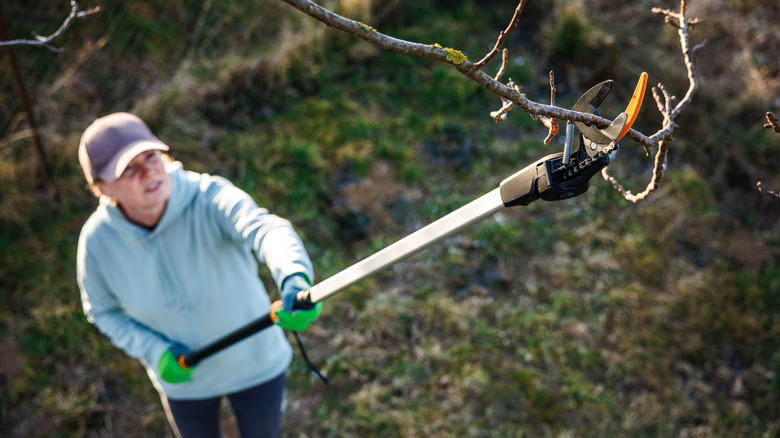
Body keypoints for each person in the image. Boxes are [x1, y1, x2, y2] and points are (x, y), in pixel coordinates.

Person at [76, 112, 323, 437]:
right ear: (102, 187)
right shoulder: (97, 244)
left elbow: (266, 229)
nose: (149, 171)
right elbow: (102, 311)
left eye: (151, 156)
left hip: (257, 366)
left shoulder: (208, 196)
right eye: (129, 168)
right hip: (185, 382)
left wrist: (293, 276)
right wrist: (153, 350)